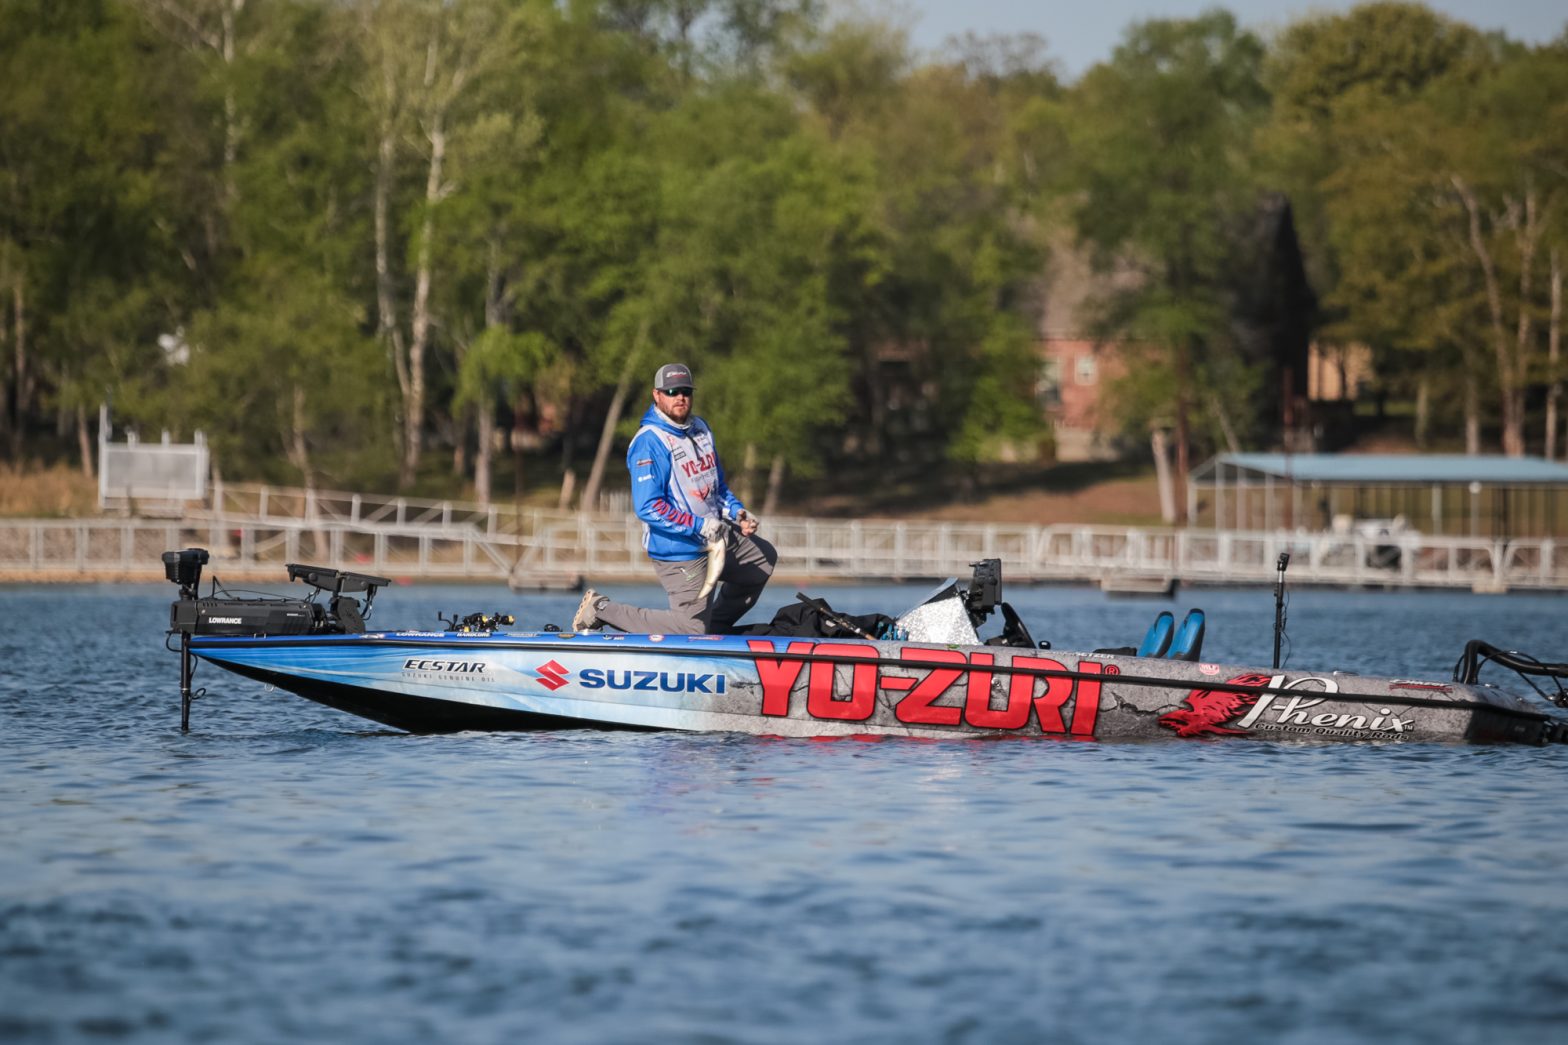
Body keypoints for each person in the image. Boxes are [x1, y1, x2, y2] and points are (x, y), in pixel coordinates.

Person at [572, 362, 777, 635]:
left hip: (717, 537)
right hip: (680, 551)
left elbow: (717, 489)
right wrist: (699, 525)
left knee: (762, 559)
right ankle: (600, 609)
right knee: (689, 628)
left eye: (685, 391)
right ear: (656, 395)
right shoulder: (649, 442)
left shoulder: (702, 428)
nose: (680, 397)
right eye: (671, 392)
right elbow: (648, 507)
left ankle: (714, 627)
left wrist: (737, 513)